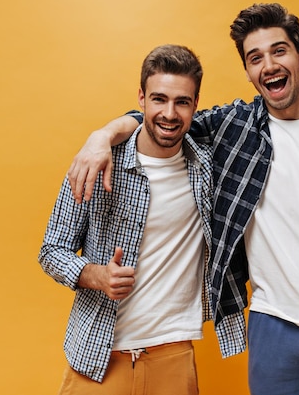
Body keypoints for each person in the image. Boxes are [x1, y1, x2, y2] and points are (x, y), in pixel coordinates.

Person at [67, 3, 299, 395]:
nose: (269, 65)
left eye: (279, 51)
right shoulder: (235, 127)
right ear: (248, 71)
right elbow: (166, 118)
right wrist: (101, 135)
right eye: (255, 58)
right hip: (272, 327)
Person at [39, 44, 237, 395]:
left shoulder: (207, 166)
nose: (170, 113)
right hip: (99, 355)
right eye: (159, 99)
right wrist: (95, 275)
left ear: (195, 104)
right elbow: (51, 250)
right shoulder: (97, 162)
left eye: (182, 102)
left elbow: (267, 113)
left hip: (173, 355)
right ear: (141, 98)